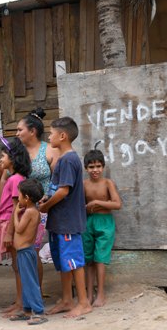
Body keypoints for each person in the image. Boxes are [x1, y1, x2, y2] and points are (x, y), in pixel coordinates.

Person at [38, 116, 92, 318]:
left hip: (68, 221)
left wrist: (45, 207)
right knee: (63, 262)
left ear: (62, 136)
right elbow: (55, 190)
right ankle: (68, 299)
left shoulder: (69, 159)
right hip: (59, 221)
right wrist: (46, 198)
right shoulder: (63, 159)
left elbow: (63, 192)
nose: (49, 136)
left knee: (74, 262)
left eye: (51, 133)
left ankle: (84, 302)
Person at [15, 108, 60, 294]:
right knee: (27, 250)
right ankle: (30, 294)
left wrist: (47, 197)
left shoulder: (49, 150)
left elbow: (57, 180)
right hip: (23, 208)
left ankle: (37, 293)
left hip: (46, 208)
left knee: (36, 250)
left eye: (20, 130)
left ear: (32, 131)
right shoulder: (18, 153)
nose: (17, 133)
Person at [0, 137, 32, 318]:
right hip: (9, 225)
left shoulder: (16, 179)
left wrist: (10, 233)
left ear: (13, 158)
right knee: (16, 267)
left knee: (19, 267)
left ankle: (22, 304)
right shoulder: (13, 178)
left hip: (13, 227)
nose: (0, 160)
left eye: (3, 156)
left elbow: (17, 209)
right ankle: (19, 302)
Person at [82, 148, 122, 307]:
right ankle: (89, 294)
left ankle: (101, 294)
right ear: (86, 168)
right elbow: (80, 205)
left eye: (98, 166)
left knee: (100, 258)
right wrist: (86, 207)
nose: (95, 170)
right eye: (91, 167)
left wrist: (97, 203)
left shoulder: (107, 183)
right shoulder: (84, 184)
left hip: (104, 222)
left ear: (103, 167)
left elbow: (117, 204)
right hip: (88, 222)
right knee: (89, 259)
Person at [9, 178, 48, 325]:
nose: (18, 198)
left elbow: (19, 229)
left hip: (25, 251)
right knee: (26, 281)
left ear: (26, 197)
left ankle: (38, 311)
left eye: (19, 195)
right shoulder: (32, 211)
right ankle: (27, 310)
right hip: (23, 252)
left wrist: (15, 213)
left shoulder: (30, 212)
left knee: (30, 282)